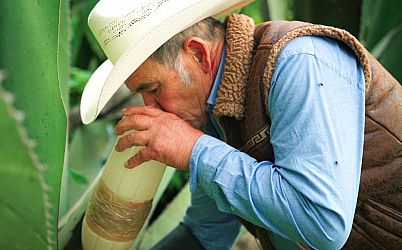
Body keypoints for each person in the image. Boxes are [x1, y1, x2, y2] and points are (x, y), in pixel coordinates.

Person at [80, 0, 402, 249]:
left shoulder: (296, 63)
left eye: (153, 90)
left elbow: (323, 222)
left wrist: (194, 150)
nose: (151, 109)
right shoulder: (214, 114)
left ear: (199, 55)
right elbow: (207, 232)